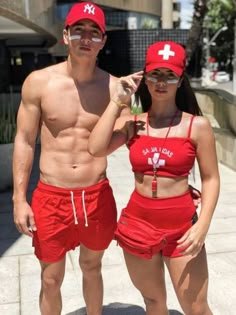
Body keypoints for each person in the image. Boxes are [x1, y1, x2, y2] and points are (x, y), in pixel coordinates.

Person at [12, 2, 130, 315]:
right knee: (50, 278)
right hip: (52, 196)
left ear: (103, 41)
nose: (86, 38)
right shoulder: (39, 82)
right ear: (66, 35)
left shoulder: (115, 88)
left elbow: (124, 137)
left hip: (96, 195)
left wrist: (129, 117)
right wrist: (19, 199)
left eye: (94, 32)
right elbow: (24, 141)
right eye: (79, 30)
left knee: (92, 268)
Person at [88, 41, 220, 315]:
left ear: (180, 79)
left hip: (182, 227)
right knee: (153, 302)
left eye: (169, 75)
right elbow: (96, 147)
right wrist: (118, 100)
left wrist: (203, 224)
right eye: (155, 74)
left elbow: (210, 179)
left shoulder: (197, 126)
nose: (161, 82)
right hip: (138, 225)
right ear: (144, 78)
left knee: (195, 306)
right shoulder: (134, 123)